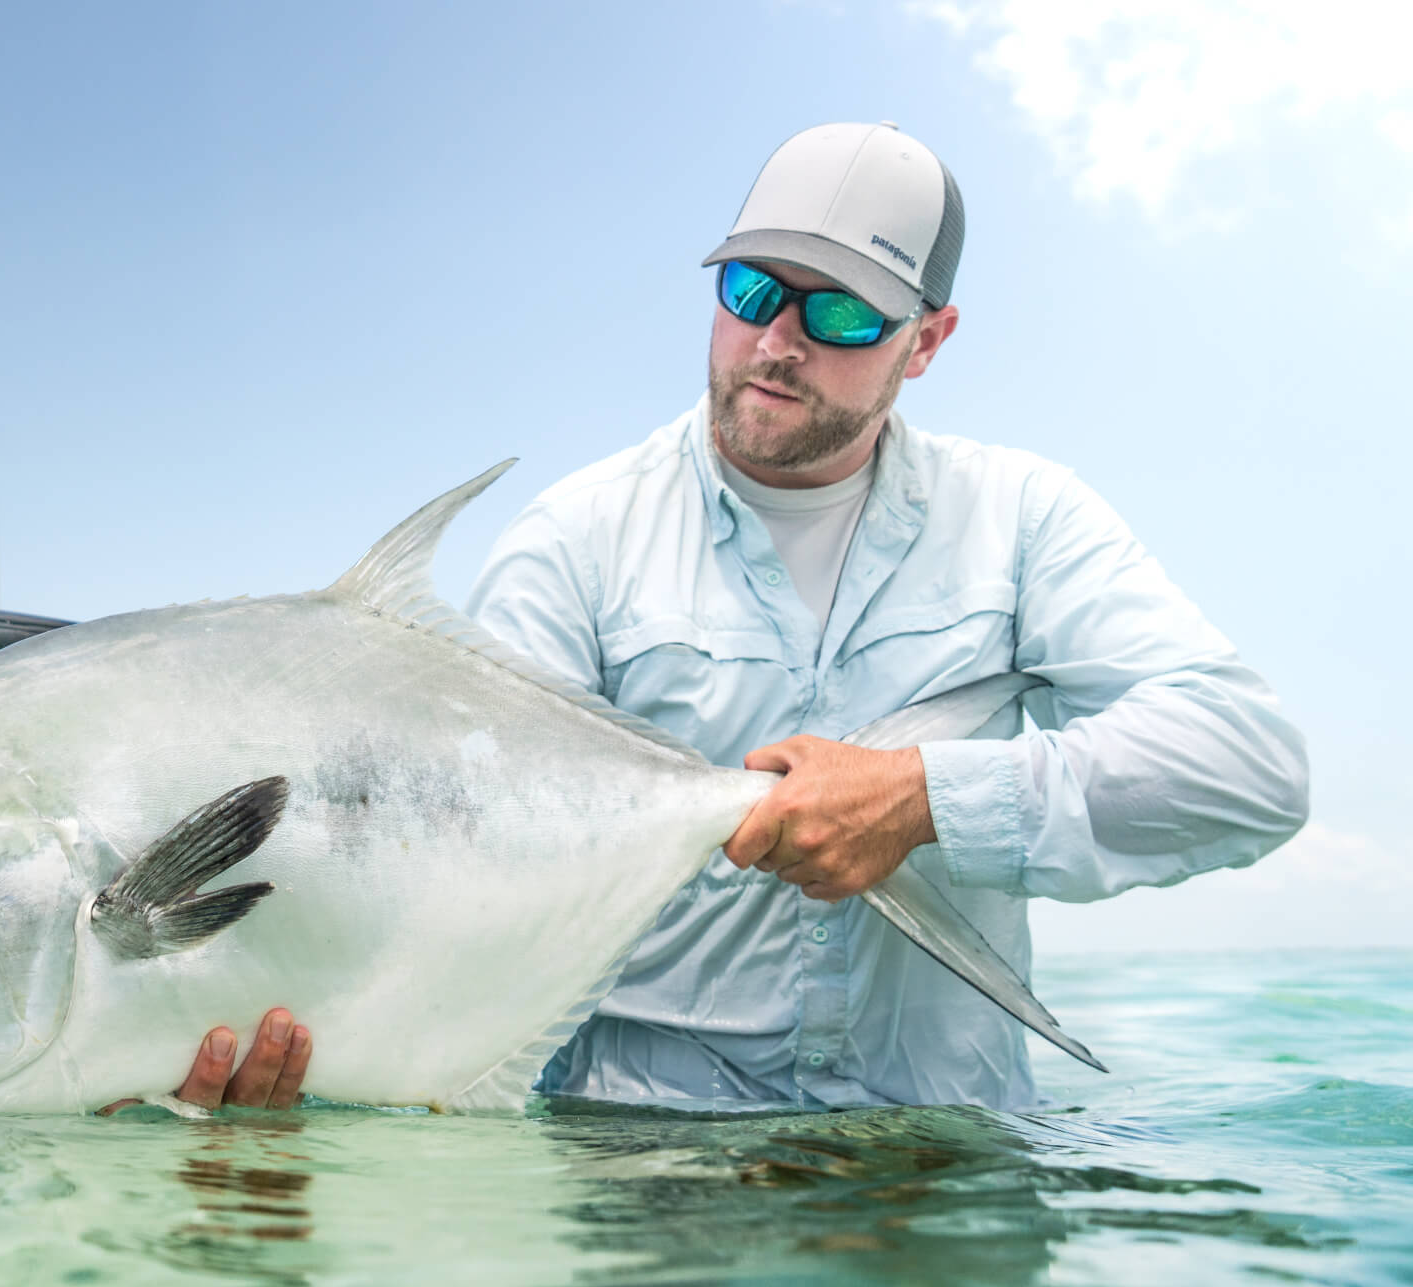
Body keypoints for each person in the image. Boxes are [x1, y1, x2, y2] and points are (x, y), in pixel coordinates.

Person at [154, 121, 1309, 1115]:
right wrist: (272, 1034)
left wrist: (924, 798)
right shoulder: (576, 542)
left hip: (938, 1162)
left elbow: (1245, 764)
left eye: (842, 313)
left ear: (927, 339)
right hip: (642, 1163)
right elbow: (453, 858)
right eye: (751, 290)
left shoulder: (1021, 519)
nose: (776, 341)